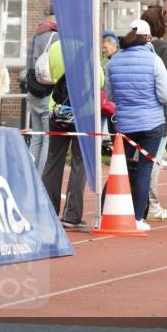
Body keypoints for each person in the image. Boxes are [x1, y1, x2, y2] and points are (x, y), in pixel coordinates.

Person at [106, 20, 167, 230]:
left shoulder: (114, 61)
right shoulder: (154, 60)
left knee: (120, 168)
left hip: (125, 123)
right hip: (151, 123)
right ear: (147, 38)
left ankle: (106, 211)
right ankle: (137, 218)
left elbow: (110, 95)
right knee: (145, 169)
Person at [41, 37, 104, 231]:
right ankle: (71, 213)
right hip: (83, 113)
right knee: (79, 162)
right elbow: (99, 80)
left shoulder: (55, 47)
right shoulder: (88, 48)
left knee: (53, 161)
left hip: (58, 110)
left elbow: (51, 75)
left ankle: (47, 211)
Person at [140, 5, 167, 222]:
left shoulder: (134, 48)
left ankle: (143, 203)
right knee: (152, 162)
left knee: (140, 160)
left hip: (135, 112)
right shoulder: (164, 49)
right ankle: (152, 206)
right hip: (160, 113)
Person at [25, 6, 58, 175]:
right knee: (47, 138)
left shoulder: (35, 35)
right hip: (47, 92)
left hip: (33, 92)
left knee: (36, 137)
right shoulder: (56, 36)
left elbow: (27, 66)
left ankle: (31, 174)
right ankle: (42, 177)